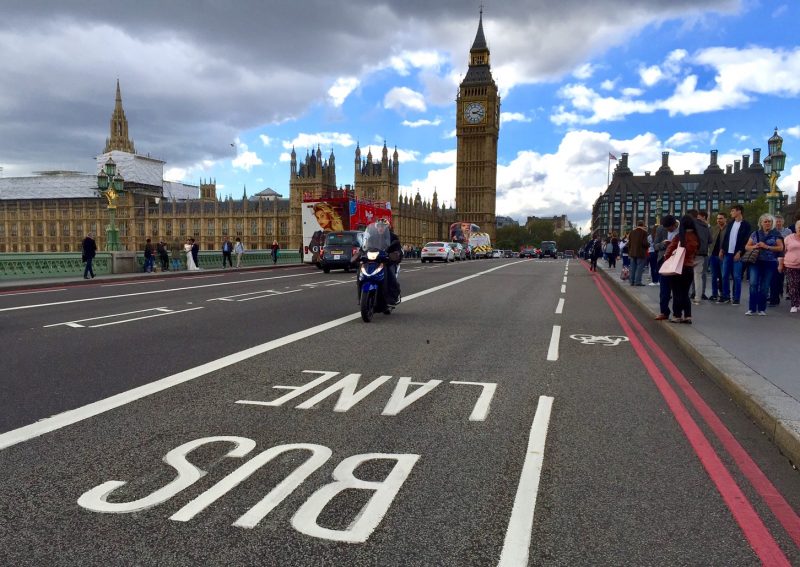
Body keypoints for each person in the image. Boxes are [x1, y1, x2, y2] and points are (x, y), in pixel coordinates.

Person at [744, 214, 784, 316]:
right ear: (761, 223)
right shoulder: (755, 233)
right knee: (753, 283)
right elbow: (747, 247)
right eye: (765, 221)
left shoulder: (776, 234)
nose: (767, 223)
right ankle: (752, 308)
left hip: (769, 262)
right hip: (756, 261)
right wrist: (754, 246)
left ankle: (761, 308)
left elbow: (780, 248)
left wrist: (767, 247)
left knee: (765, 286)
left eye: (769, 222)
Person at [664, 214, 699, 324]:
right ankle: (688, 316)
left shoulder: (679, 237)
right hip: (689, 268)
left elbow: (668, 253)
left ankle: (677, 315)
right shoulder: (696, 237)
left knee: (676, 293)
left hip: (678, 267)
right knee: (685, 293)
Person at [719, 204, 751, 305]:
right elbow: (726, 238)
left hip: (737, 254)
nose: (731, 213)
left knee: (737, 277)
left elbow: (746, 240)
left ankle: (736, 298)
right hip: (727, 253)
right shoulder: (730, 224)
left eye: (733, 211)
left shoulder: (746, 225)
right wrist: (722, 249)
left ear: (739, 211)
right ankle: (726, 296)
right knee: (724, 275)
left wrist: (740, 252)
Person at [654, 215, 679, 321]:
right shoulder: (660, 229)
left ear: (675, 224)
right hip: (664, 262)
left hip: (677, 261)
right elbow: (655, 246)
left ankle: (677, 313)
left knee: (677, 290)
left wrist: (675, 245)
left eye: (670, 228)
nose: (668, 230)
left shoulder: (682, 229)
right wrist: (664, 244)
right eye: (666, 229)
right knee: (664, 290)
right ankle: (664, 312)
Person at [689, 209, 712, 303]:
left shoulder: (690, 224)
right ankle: (698, 297)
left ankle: (687, 295)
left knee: (686, 275)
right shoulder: (706, 226)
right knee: (698, 275)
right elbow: (710, 240)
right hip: (702, 253)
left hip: (691, 252)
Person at [769, 215, 792, 306]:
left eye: (780, 221)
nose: (778, 223)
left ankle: (781, 292)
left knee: (781, 277)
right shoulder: (772, 231)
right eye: (777, 221)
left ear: (783, 222)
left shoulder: (788, 231)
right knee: (774, 277)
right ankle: (774, 296)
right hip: (774, 256)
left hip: (786, 256)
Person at [779, 220, 800, 313]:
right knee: (793, 285)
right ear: (795, 228)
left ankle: (798, 302)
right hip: (790, 265)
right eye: (799, 227)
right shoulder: (788, 238)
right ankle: (794, 304)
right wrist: (780, 264)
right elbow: (782, 252)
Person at [708, 212, 727, 301]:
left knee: (723, 276)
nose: (719, 220)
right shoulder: (714, 228)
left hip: (723, 255)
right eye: (718, 218)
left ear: (725, 219)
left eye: (721, 218)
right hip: (713, 255)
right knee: (714, 276)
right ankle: (714, 294)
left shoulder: (728, 229)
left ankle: (724, 294)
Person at [627, 221, 649, 286]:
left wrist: (630, 251)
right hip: (641, 253)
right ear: (642, 225)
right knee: (639, 268)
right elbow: (644, 243)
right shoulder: (644, 233)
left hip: (632, 252)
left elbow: (629, 244)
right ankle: (638, 282)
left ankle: (631, 281)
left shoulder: (632, 232)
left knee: (632, 267)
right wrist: (649, 244)